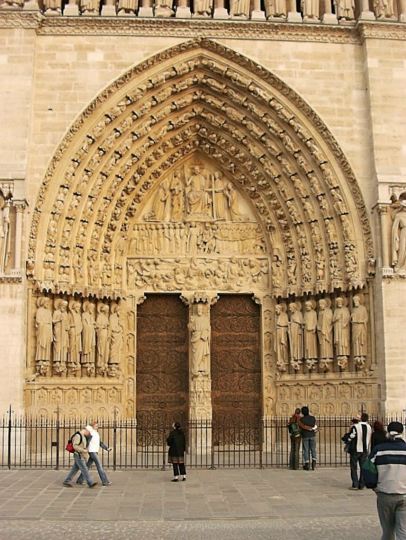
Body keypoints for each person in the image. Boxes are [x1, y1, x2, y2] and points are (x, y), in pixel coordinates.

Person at [368, 421, 406, 540]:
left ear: (388, 432)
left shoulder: (379, 450)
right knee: (403, 531)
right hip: (404, 494)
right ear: (402, 432)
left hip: (385, 494)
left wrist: (373, 485)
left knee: (388, 531)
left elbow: (368, 468)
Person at [76, 422, 112, 487]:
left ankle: (80, 480)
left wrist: (107, 448)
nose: (97, 427)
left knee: (87, 466)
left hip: (95, 451)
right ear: (92, 427)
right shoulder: (90, 433)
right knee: (99, 466)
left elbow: (100, 443)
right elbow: (85, 434)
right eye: (95, 426)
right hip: (92, 451)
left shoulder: (96, 433)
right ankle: (105, 481)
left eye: (97, 426)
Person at [348, 412, 372, 490]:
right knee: (363, 467)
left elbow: (350, 437)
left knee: (354, 467)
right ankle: (362, 484)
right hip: (365, 450)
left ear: (361, 418)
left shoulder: (355, 426)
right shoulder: (369, 427)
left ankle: (355, 484)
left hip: (356, 449)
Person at [298, 406, 317, 471]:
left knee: (306, 450)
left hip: (305, 435)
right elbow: (313, 425)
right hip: (312, 435)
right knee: (313, 449)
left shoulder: (301, 419)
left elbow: (301, 427)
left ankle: (307, 463)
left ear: (302, 412)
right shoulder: (313, 418)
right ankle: (314, 461)